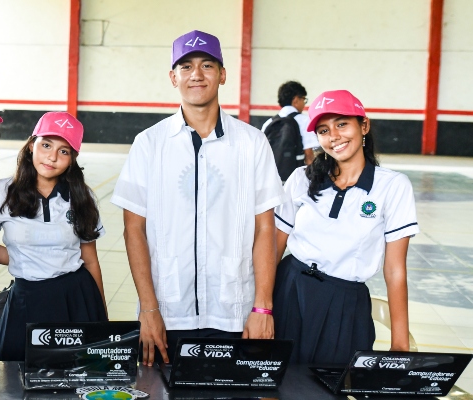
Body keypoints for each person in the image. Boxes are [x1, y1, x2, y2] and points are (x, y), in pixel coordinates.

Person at [111, 30, 284, 366]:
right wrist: (148, 308)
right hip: (168, 315)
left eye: (207, 65)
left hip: (235, 314)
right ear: (173, 77)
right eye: (186, 66)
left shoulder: (251, 143)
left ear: (222, 74)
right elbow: (134, 230)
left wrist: (262, 306)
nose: (197, 74)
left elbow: (265, 228)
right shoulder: (150, 143)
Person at [273, 90, 417, 364]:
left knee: (330, 386)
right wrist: (261, 309)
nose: (334, 136)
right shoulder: (300, 179)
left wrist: (400, 341)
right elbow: (273, 249)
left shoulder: (393, 186)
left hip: (344, 304)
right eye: (324, 130)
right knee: (275, 382)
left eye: (342, 124)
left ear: (364, 125)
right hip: (289, 292)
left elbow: (395, 269)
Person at [0, 112, 107, 361]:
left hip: (75, 297)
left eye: (64, 151)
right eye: (46, 145)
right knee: (14, 376)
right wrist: (20, 258)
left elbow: (90, 259)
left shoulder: (81, 196)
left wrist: (101, 315)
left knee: (76, 376)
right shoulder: (2, 192)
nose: (52, 157)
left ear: (73, 158)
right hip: (26, 298)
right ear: (32, 144)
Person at [260, 81, 318, 180]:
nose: (304, 104)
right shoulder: (304, 121)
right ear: (296, 100)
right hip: (296, 179)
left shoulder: (268, 123)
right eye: (304, 99)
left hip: (271, 179)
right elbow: (309, 155)